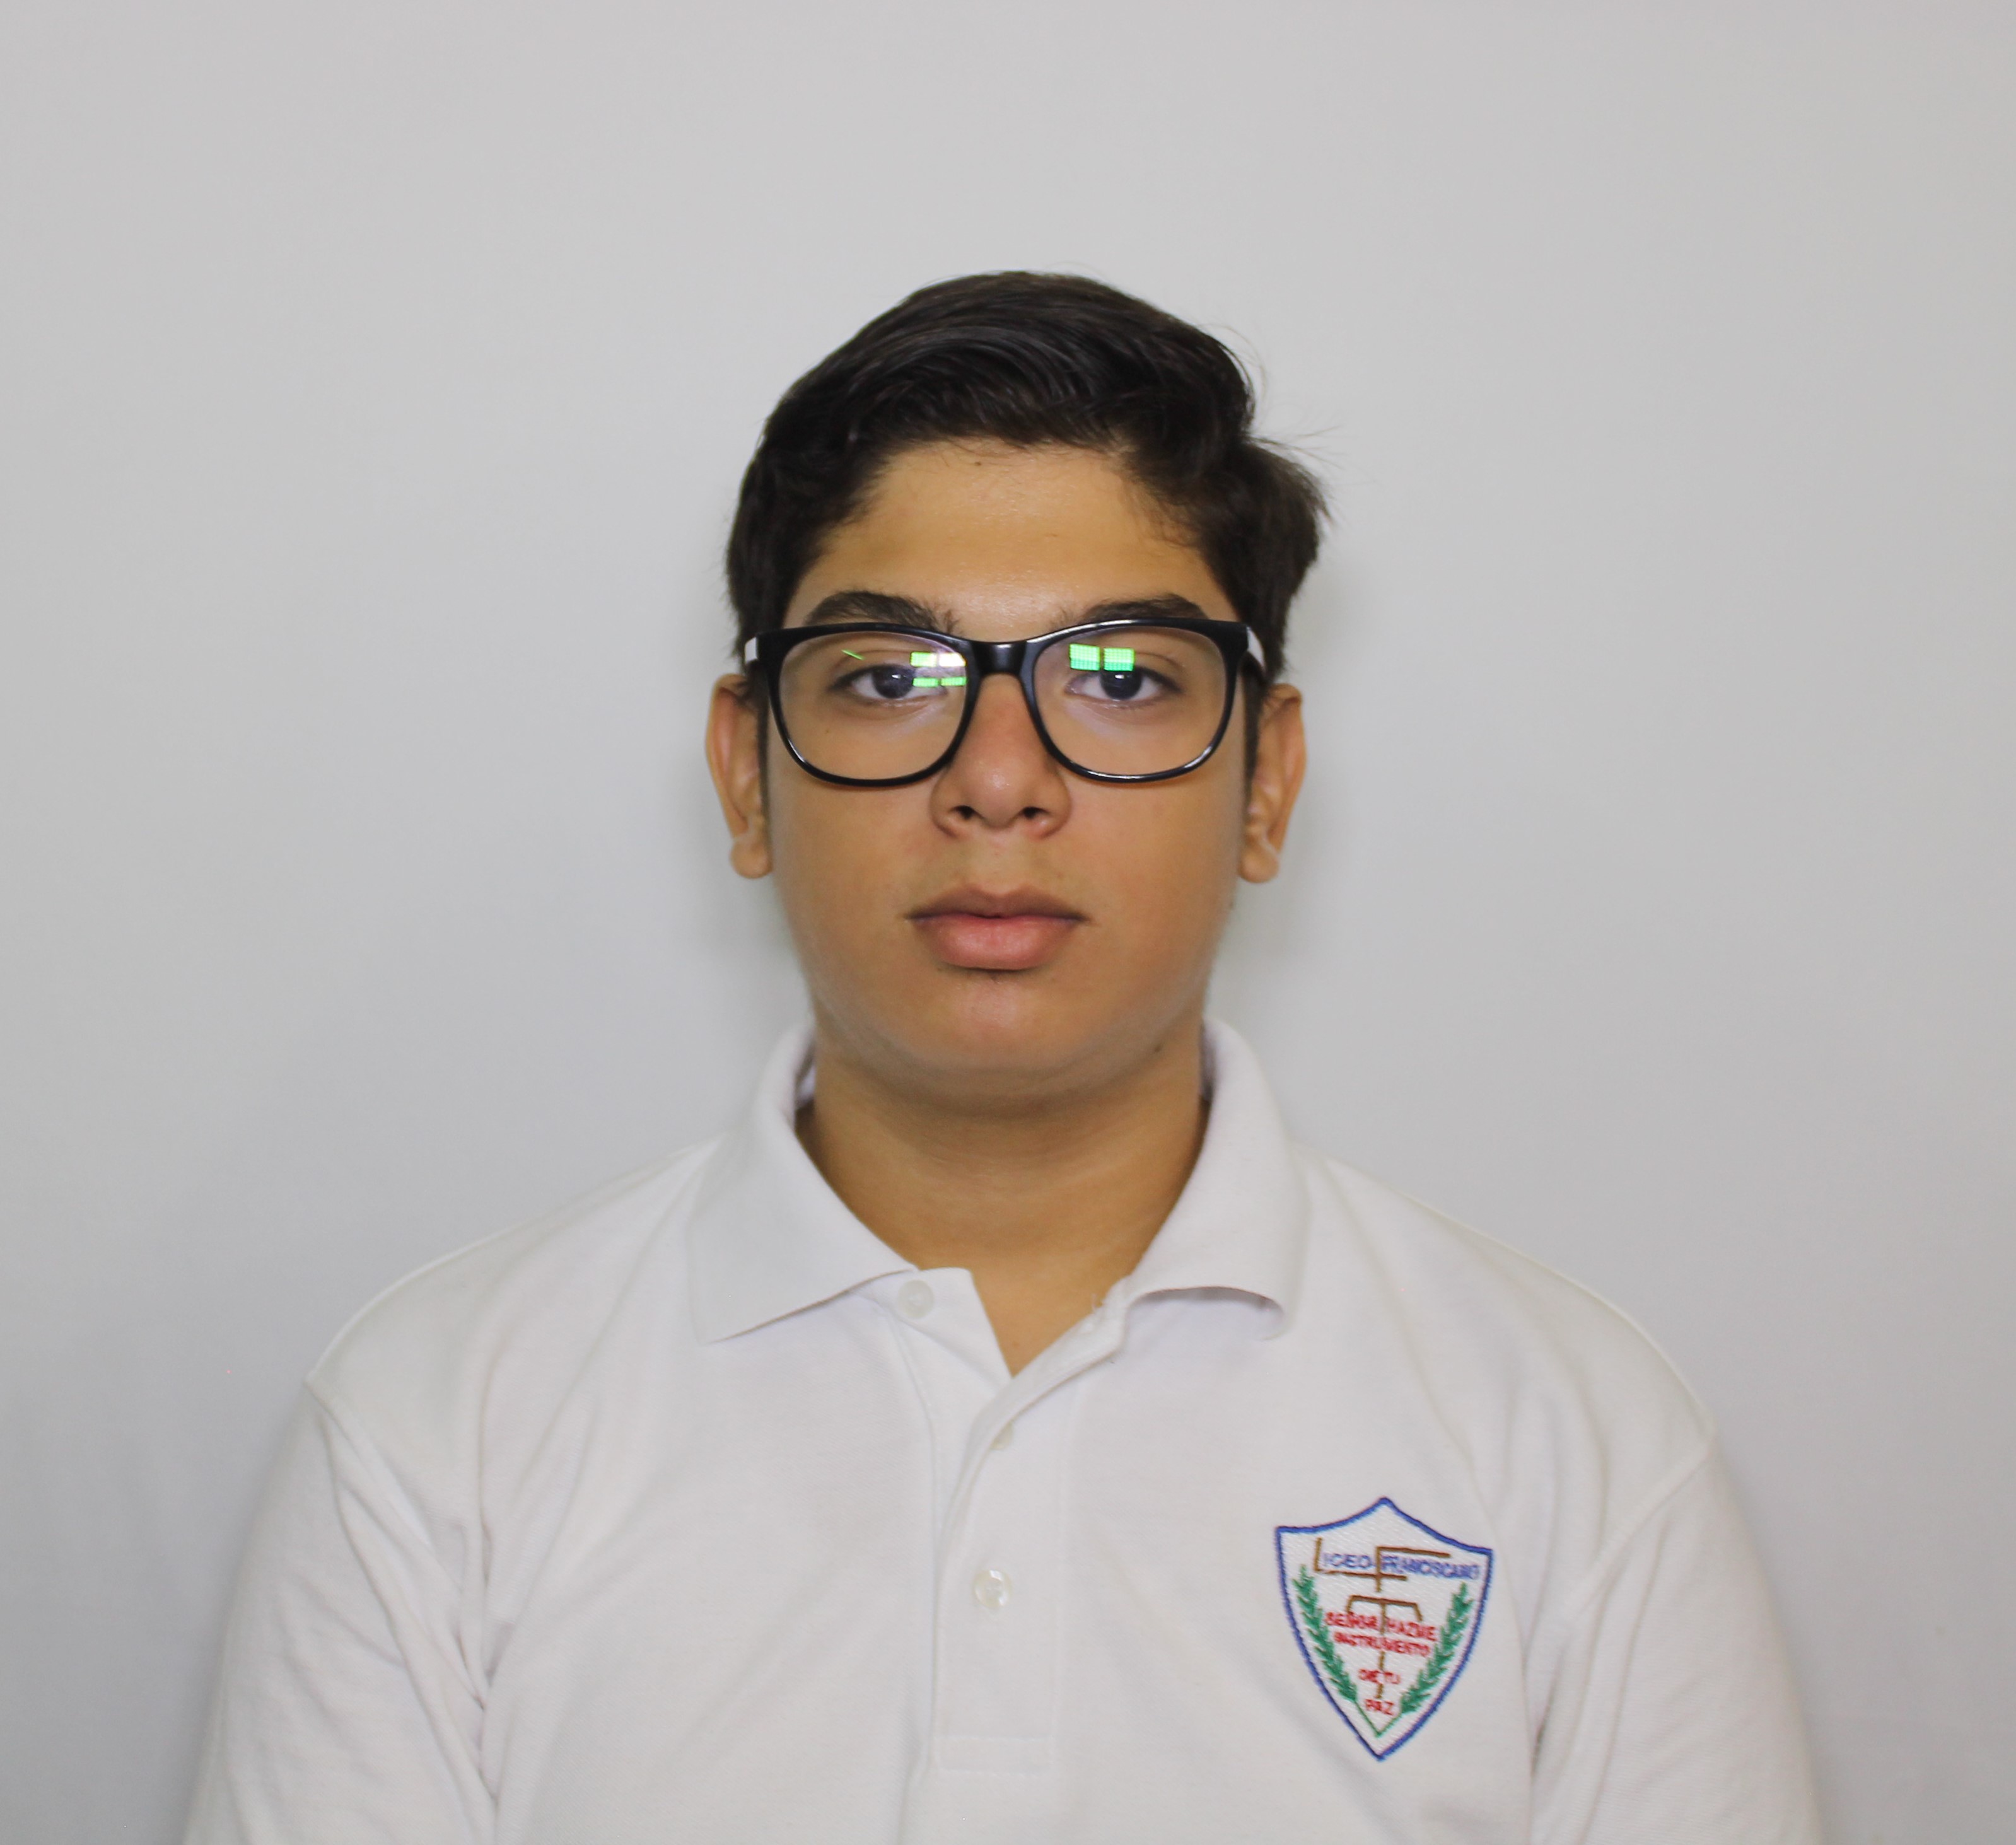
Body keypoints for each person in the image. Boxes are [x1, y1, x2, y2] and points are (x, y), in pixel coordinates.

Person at [184, 272, 1821, 1843]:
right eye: (890, 677)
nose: (999, 780)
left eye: (1119, 678)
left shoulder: (1571, 1445)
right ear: (748, 774)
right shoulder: (440, 1433)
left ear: (1266, 784)